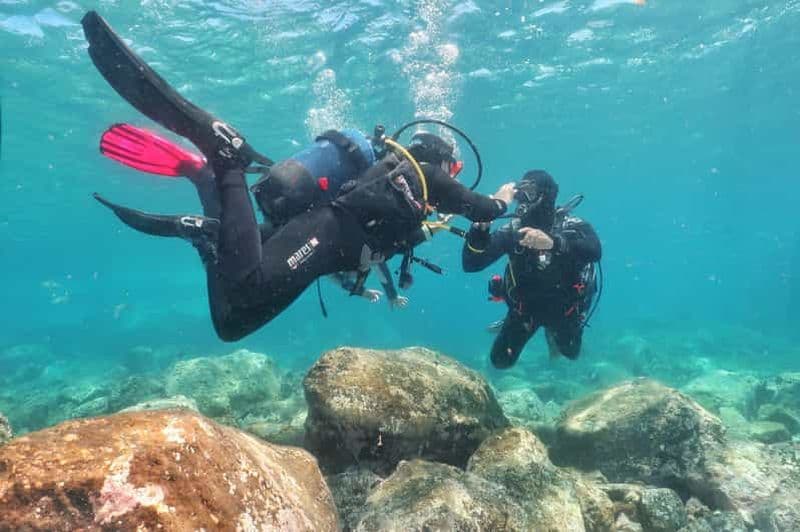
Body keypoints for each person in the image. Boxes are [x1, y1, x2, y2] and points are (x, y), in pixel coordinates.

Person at [82, 11, 515, 341]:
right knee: (249, 287)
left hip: (321, 250)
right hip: (321, 233)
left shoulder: (409, 198)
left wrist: (363, 286)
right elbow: (486, 208)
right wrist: (506, 196)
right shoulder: (422, 175)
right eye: (454, 170)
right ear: (445, 163)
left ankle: (206, 211)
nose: (453, 179)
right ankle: (224, 156)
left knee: (232, 324)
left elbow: (373, 249)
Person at [462, 170, 602, 369]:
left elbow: (595, 251)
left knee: (570, 353)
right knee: (500, 361)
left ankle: (552, 334)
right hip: (524, 310)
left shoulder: (569, 224)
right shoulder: (513, 231)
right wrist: (480, 227)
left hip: (565, 310)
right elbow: (471, 264)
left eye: (529, 192)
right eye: (518, 193)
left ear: (547, 195)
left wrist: (554, 243)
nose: (522, 200)